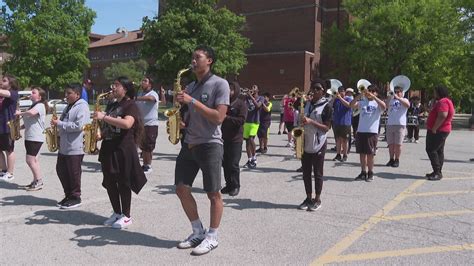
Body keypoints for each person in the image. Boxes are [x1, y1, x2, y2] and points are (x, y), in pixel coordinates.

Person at [174, 45, 229, 256]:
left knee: (213, 193)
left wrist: (192, 101)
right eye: (193, 57)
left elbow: (218, 117)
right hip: (189, 143)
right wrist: (181, 119)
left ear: (210, 61)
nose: (193, 61)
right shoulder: (190, 86)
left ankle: (212, 236)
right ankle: (198, 231)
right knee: (181, 188)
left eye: (198, 57)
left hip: (210, 144)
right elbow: (190, 113)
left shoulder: (220, 84)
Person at [95, 76, 147, 229]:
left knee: (123, 182)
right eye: (113, 84)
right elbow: (109, 125)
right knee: (110, 181)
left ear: (125, 89)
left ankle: (126, 215)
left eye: (117, 85)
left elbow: (127, 123)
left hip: (123, 148)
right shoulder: (113, 105)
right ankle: (117, 212)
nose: (113, 87)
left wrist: (103, 116)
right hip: (109, 147)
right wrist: (100, 134)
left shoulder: (130, 105)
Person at [52, 83, 90, 209]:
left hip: (75, 146)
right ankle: (68, 195)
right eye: (66, 93)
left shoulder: (82, 107)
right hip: (64, 145)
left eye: (69, 93)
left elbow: (79, 126)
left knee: (73, 173)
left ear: (77, 94)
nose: (66, 95)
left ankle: (75, 197)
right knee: (61, 170)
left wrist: (60, 124)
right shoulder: (69, 106)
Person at [297, 79, 332, 211]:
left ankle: (317, 199)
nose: (315, 91)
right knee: (306, 173)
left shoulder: (327, 106)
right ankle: (308, 197)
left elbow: (326, 128)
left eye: (318, 89)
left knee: (317, 173)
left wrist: (311, 121)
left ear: (323, 91)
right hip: (306, 140)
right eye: (313, 88)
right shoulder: (307, 104)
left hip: (319, 143)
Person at [350, 84, 386, 182]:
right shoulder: (362, 102)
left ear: (376, 93)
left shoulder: (377, 103)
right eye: (368, 90)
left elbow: (384, 106)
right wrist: (359, 95)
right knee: (362, 153)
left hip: (372, 132)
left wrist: (374, 97)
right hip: (361, 130)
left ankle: (370, 172)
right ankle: (363, 172)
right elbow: (351, 105)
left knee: (370, 154)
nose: (369, 92)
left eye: (372, 91)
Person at [16, 87, 47, 190]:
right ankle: (35, 181)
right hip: (30, 136)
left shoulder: (40, 105)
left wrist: (20, 113)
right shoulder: (32, 105)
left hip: (35, 137)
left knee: (30, 160)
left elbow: (31, 113)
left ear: (39, 96)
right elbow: (31, 121)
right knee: (34, 160)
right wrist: (19, 128)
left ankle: (39, 181)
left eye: (34, 93)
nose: (31, 94)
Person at [221, 81, 247, 197]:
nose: (229, 92)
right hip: (224, 138)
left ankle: (236, 185)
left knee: (233, 163)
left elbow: (241, 120)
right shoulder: (223, 103)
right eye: (228, 89)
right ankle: (229, 184)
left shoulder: (241, 104)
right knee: (225, 163)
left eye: (231, 89)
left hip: (236, 139)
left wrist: (226, 118)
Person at [425, 85, 455, 181]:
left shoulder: (443, 102)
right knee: (438, 150)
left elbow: (443, 115)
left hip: (439, 130)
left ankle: (437, 172)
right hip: (442, 129)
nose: (434, 93)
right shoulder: (445, 101)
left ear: (439, 92)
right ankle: (437, 171)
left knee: (431, 149)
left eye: (435, 92)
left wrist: (434, 128)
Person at [136, 76, 160, 174]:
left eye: (145, 81)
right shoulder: (140, 93)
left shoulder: (153, 93)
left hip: (151, 124)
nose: (143, 82)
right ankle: (144, 165)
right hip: (142, 124)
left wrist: (137, 98)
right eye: (142, 80)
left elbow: (151, 99)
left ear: (150, 84)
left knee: (149, 146)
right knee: (143, 145)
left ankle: (148, 166)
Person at [0, 74, 20, 182]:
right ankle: (3, 170)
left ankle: (10, 173)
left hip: (8, 127)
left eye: (4, 81)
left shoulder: (13, 93)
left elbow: (3, 92)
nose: (1, 82)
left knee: (9, 150)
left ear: (10, 83)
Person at [385, 86, 410, 167]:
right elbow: (386, 106)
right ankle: (391, 159)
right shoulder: (391, 100)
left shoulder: (404, 99)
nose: (396, 93)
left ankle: (397, 159)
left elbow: (407, 105)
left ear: (402, 92)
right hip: (390, 123)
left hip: (400, 124)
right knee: (391, 144)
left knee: (398, 144)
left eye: (398, 91)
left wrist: (398, 98)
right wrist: (390, 96)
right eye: (395, 91)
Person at [242, 85, 264, 169]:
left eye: (254, 88)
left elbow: (258, 106)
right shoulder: (247, 98)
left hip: (255, 122)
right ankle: (249, 159)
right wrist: (245, 96)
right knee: (247, 141)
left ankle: (254, 158)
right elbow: (243, 106)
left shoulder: (261, 98)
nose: (252, 89)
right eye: (252, 87)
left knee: (251, 139)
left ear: (258, 90)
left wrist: (251, 96)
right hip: (247, 121)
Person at [331, 86, 352, 162]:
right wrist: (333, 98)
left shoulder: (348, 99)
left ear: (345, 92)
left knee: (345, 140)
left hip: (345, 123)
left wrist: (340, 98)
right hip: (337, 122)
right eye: (339, 91)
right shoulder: (336, 100)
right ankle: (338, 154)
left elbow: (349, 105)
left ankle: (345, 155)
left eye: (342, 91)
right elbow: (329, 106)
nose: (341, 92)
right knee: (337, 140)